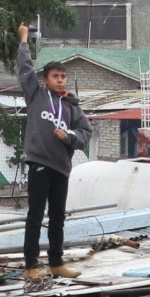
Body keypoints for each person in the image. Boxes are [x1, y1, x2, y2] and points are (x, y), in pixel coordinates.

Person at [17, 22, 93, 281]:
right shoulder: (37, 95)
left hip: (61, 167)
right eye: (55, 77)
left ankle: (56, 262)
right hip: (39, 162)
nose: (60, 80)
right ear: (45, 80)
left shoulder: (72, 107)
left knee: (58, 216)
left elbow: (85, 135)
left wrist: (69, 136)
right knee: (36, 215)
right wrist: (24, 40)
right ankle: (30, 265)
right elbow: (25, 70)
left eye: (63, 77)